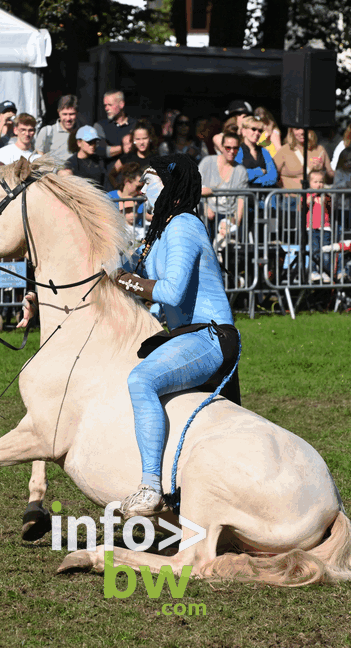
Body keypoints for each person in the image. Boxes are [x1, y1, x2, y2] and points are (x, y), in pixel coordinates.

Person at [110, 154, 237, 518]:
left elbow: (170, 292)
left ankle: (151, 487)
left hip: (210, 336)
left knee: (142, 380)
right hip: (188, 334)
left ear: (170, 184)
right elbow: (140, 281)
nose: (141, 188)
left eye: (149, 181)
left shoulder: (183, 225)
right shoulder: (164, 228)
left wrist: (121, 278)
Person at [199, 131, 248, 232]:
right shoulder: (207, 162)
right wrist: (205, 207)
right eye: (228, 148)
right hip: (205, 214)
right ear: (221, 147)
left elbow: (241, 200)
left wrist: (234, 223)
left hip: (228, 216)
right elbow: (193, 187)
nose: (231, 151)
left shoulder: (240, 170)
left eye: (235, 148)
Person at [110, 121, 159, 187]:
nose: (141, 142)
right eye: (138, 139)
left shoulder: (157, 158)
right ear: (133, 140)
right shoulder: (127, 158)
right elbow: (111, 175)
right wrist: (119, 188)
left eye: (144, 138)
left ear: (150, 138)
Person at [93, 90, 136, 163]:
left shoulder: (135, 125)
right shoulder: (100, 126)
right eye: (105, 105)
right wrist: (123, 148)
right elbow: (100, 150)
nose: (106, 109)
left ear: (121, 104)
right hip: (110, 172)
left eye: (110, 105)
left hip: (133, 171)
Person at [236, 115, 278, 188]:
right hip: (245, 197)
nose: (257, 133)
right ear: (243, 131)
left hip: (264, 197)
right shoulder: (238, 151)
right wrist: (260, 171)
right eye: (253, 129)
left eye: (260, 131)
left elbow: (273, 176)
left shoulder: (264, 152)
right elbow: (238, 175)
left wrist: (253, 182)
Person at [35, 95, 81, 161]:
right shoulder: (47, 132)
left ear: (77, 113)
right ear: (59, 113)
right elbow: (39, 157)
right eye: (65, 114)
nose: (68, 118)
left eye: (71, 114)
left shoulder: (82, 133)